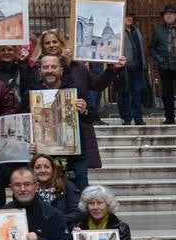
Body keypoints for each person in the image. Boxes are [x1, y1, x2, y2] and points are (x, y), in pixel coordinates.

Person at [30, 49, 121, 189]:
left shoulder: (74, 90)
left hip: (75, 155)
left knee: (80, 193)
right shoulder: (31, 94)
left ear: (61, 70)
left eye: (53, 67)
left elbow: (92, 117)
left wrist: (84, 110)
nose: (49, 71)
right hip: (44, 156)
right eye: (45, 67)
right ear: (40, 70)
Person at [116, 13, 150, 126]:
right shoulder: (119, 32)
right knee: (124, 93)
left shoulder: (136, 31)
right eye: (127, 16)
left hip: (137, 67)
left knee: (137, 93)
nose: (130, 18)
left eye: (131, 17)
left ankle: (138, 117)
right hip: (124, 68)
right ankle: (126, 118)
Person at [32, 153, 82, 227]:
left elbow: (77, 212)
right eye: (38, 167)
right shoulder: (27, 188)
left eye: (47, 167)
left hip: (61, 229)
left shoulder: (66, 186)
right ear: (32, 170)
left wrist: (56, 220)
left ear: (53, 169)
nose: (42, 170)